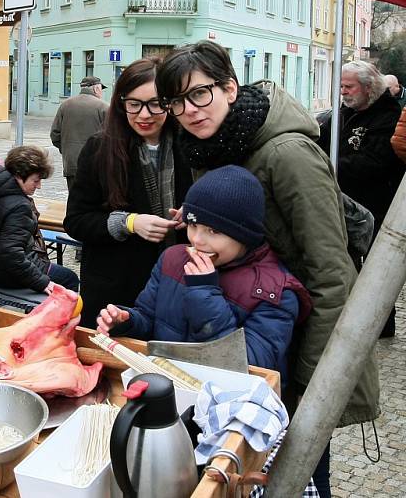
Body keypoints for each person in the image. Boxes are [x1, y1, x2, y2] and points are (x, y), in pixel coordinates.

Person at [155, 40, 379, 498]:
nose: (189, 110)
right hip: (254, 339)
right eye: (176, 101)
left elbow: (332, 275)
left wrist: (312, 383)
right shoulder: (211, 147)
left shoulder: (288, 154)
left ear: (230, 89)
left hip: (298, 344)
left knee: (301, 470)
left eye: (200, 93)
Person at [97, 165, 311, 380]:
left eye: (213, 231)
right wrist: (127, 321)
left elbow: (253, 364)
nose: (197, 240)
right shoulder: (173, 259)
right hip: (170, 385)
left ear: (245, 235)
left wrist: (204, 292)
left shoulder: (274, 291)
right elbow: (149, 318)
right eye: (192, 225)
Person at [64, 58, 193, 327]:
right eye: (134, 104)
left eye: (156, 103)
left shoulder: (191, 147)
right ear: (121, 103)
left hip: (179, 284)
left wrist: (193, 215)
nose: (144, 114)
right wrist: (130, 222)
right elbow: (76, 221)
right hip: (114, 292)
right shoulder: (100, 148)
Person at [318, 61, 405, 338]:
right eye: (341, 86)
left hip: (376, 205)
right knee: (346, 263)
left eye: (348, 86)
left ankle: (381, 324)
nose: (343, 92)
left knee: (376, 270)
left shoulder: (388, 117)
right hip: (343, 202)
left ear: (368, 88)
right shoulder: (343, 113)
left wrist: (330, 165)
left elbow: (374, 163)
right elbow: (321, 143)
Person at [0, 145, 79, 293]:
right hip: (6, 275)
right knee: (69, 278)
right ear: (19, 175)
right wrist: (42, 283)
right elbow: (12, 254)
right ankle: (49, 315)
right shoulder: (20, 206)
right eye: (35, 180)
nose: (39, 186)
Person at [50, 76, 109, 190]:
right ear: (96, 89)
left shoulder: (65, 105)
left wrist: (66, 150)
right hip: (95, 164)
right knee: (95, 201)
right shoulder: (104, 107)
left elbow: (55, 134)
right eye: (101, 89)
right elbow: (111, 136)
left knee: (74, 199)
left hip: (71, 163)